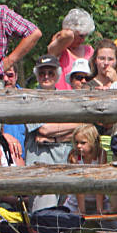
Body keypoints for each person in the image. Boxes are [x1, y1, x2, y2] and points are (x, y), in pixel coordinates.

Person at [25, 54, 78, 211]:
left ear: (58, 75)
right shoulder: (30, 98)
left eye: (51, 73)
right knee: (44, 217)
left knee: (61, 218)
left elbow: (83, 126)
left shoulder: (66, 98)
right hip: (41, 167)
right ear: (36, 75)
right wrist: (71, 128)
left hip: (64, 164)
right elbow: (43, 129)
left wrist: (53, 137)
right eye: (42, 73)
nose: (46, 76)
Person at [63, 124, 110, 219]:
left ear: (93, 142)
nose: (79, 146)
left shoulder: (101, 154)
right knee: (67, 222)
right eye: (76, 142)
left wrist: (99, 210)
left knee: (113, 225)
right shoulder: (74, 156)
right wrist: (82, 211)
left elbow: (100, 183)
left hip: (99, 200)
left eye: (83, 143)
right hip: (76, 201)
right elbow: (78, 185)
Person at [47, 8, 95, 90]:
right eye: (80, 35)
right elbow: (67, 35)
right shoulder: (60, 51)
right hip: (62, 98)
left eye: (85, 36)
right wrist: (63, 33)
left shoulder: (89, 51)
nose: (83, 40)